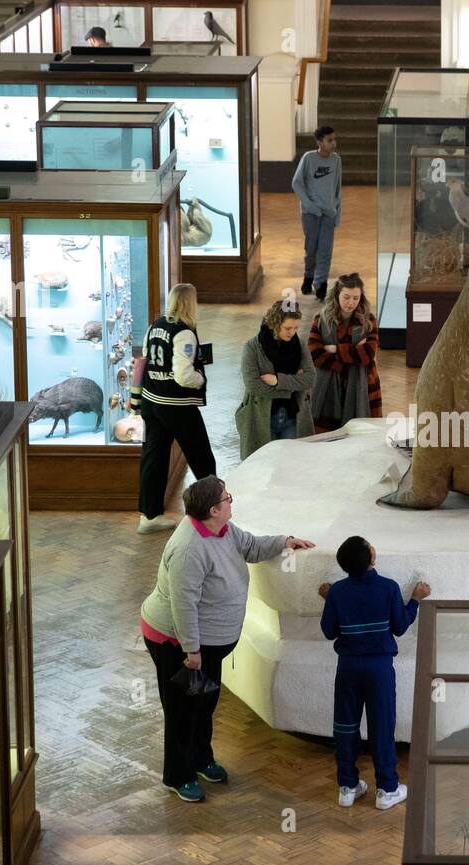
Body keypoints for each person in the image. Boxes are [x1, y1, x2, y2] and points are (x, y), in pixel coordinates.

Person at [141, 476, 315, 802]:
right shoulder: (189, 549)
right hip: (176, 643)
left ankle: (201, 759)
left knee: (204, 702)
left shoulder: (222, 529)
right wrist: (191, 651)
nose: (231, 501)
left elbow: (248, 545)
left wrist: (284, 541)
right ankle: (178, 776)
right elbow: (184, 604)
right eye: (227, 498)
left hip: (206, 645)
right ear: (214, 509)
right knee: (182, 710)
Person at [318, 536, 429, 809]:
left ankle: (347, 786)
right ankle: (387, 789)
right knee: (381, 726)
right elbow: (400, 626)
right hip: (379, 668)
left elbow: (329, 631)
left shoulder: (338, 592)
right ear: (371, 557)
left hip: (347, 667)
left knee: (345, 726)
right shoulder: (388, 588)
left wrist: (329, 599)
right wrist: (415, 599)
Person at [131, 283, 214, 535]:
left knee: (153, 458)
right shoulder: (184, 333)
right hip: (176, 406)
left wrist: (136, 399)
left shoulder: (155, 325)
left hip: (151, 402)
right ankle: (211, 510)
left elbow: (142, 361)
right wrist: (200, 378)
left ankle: (150, 515)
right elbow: (183, 375)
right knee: (201, 457)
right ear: (190, 303)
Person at [235, 299, 315, 460]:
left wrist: (278, 381)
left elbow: (310, 378)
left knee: (293, 464)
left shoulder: (299, 345)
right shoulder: (252, 348)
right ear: (274, 323)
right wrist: (292, 384)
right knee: (264, 465)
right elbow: (253, 386)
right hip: (262, 416)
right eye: (287, 328)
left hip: (293, 416)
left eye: (296, 328)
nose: (292, 333)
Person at [308, 273, 381, 433]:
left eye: (356, 298)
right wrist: (353, 353)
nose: (351, 303)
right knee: (327, 438)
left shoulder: (368, 321)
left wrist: (335, 349)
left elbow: (368, 353)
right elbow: (315, 354)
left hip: (363, 384)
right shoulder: (321, 319)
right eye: (346, 297)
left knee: (360, 436)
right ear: (337, 295)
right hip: (328, 386)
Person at [291, 126, 341, 301]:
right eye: (329, 140)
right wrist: (309, 204)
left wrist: (337, 212)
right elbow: (297, 184)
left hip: (329, 213)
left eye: (334, 139)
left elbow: (337, 188)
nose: (333, 143)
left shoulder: (336, 160)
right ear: (319, 142)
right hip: (311, 214)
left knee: (325, 250)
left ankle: (321, 284)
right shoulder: (308, 158)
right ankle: (308, 277)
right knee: (311, 248)